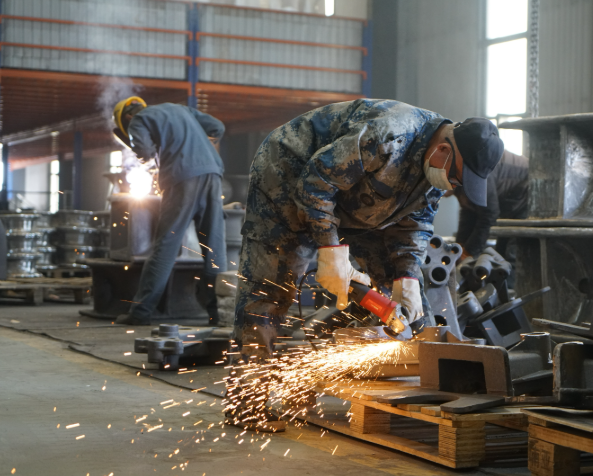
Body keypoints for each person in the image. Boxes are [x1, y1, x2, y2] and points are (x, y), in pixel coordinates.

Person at [233, 99, 505, 362]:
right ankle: (251, 383)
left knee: (401, 301)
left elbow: (416, 223)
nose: (453, 186)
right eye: (455, 177)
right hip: (289, 172)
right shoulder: (387, 134)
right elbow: (316, 185)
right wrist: (330, 249)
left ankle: (415, 370)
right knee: (271, 288)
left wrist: (408, 276)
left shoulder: (436, 167)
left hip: (359, 198)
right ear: (443, 149)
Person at [111, 97, 227, 326]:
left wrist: (153, 160)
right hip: (213, 174)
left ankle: (141, 312)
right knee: (214, 248)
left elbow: (144, 151)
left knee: (166, 246)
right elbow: (217, 128)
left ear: (127, 117)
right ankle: (219, 313)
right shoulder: (179, 109)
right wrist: (196, 145)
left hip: (182, 178)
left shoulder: (138, 120)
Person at [454, 149, 529, 260]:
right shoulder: (460, 180)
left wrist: (469, 251)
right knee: (500, 255)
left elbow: (489, 215)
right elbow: (469, 211)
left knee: (510, 254)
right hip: (510, 198)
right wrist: (458, 247)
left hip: (527, 193)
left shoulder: (476, 173)